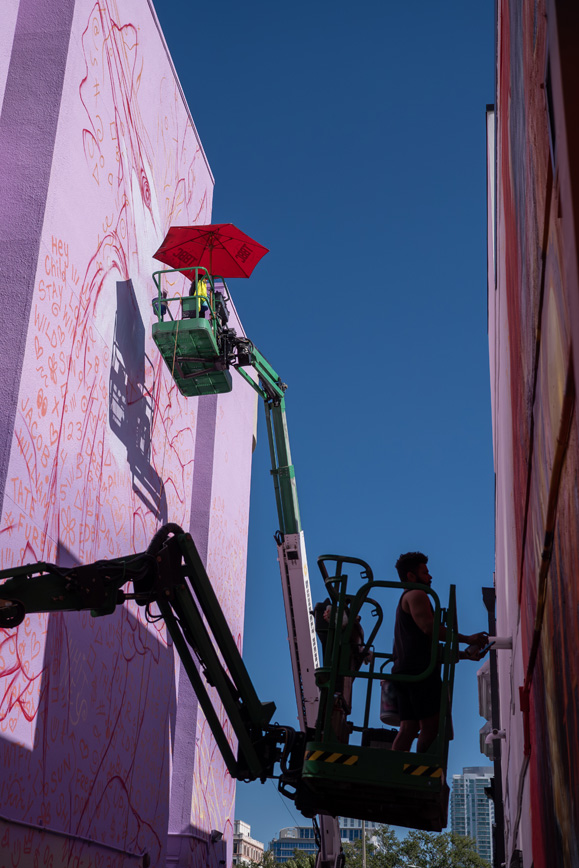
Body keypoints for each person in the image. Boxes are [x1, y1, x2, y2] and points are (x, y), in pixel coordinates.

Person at [390, 551, 488, 753]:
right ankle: (419, 769)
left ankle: (398, 771)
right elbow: (429, 628)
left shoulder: (404, 601)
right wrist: (468, 639)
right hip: (420, 673)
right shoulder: (417, 594)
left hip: (404, 671)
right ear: (411, 576)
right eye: (425, 572)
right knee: (431, 727)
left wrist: (463, 654)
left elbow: (424, 643)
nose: (430, 576)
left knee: (409, 728)